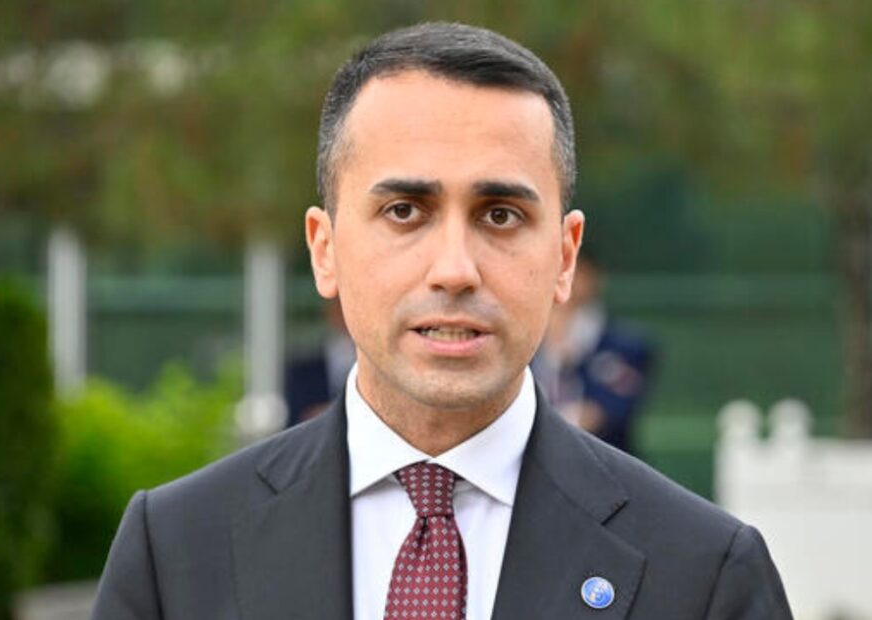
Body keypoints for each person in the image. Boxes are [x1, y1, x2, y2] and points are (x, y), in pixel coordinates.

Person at [92, 23, 792, 619]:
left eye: (501, 215)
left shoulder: (705, 576)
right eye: (404, 212)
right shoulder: (174, 552)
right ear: (325, 250)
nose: (455, 269)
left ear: (565, 256)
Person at [532, 249, 655, 455]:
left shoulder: (626, 345)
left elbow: (605, 412)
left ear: (595, 278)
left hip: (600, 459)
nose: (566, 280)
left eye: (576, 271)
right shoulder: (523, 338)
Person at [284, 298, 356, 426]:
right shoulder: (302, 370)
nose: (344, 314)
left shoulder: (377, 362)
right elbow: (294, 420)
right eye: (338, 308)